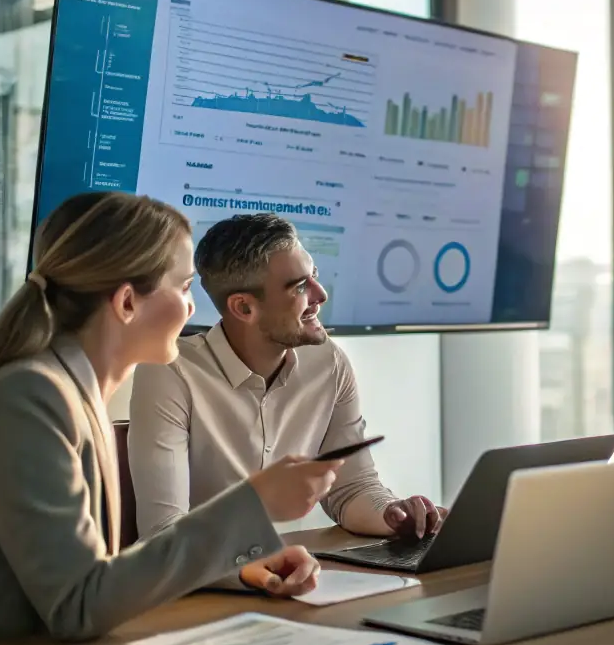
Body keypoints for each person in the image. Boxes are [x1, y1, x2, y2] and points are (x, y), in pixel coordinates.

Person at [0, 192, 340, 645]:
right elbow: (79, 604)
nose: (193, 309)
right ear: (127, 303)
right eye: (186, 287)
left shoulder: (66, 390)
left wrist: (238, 567)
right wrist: (253, 503)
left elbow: (96, 581)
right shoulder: (30, 398)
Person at [129, 213, 445, 542]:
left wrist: (394, 515)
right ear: (244, 308)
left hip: (310, 570)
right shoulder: (170, 371)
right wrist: (257, 570)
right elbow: (163, 533)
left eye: (315, 276)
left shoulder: (329, 363)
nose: (321, 295)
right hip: (213, 582)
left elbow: (353, 489)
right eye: (299, 287)